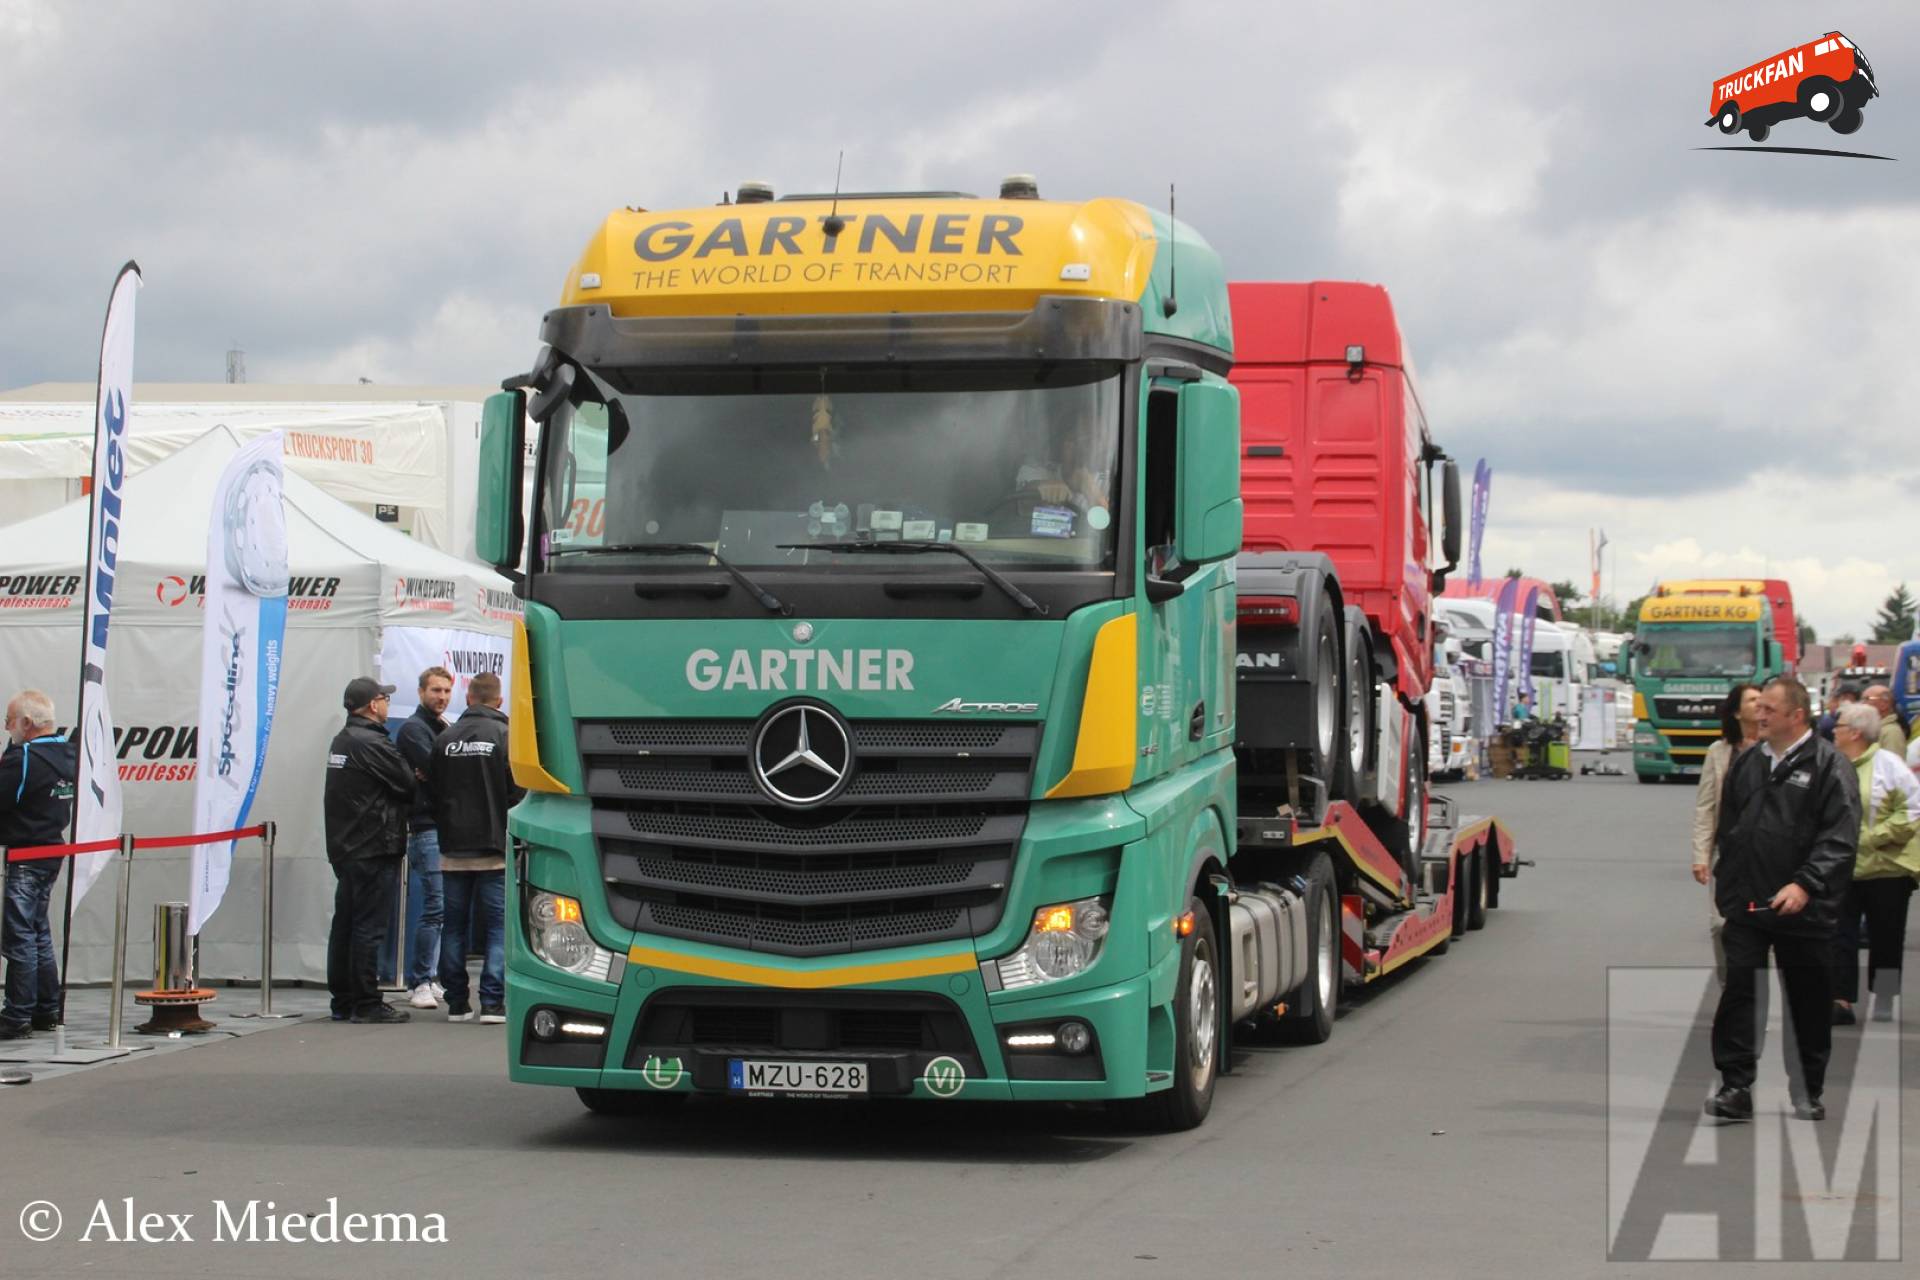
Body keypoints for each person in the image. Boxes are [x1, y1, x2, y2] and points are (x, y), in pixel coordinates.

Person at [1707, 676, 1859, 1122]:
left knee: (1808, 1001)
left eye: (1770, 709)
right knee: (1741, 992)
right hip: (1748, 903)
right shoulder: (1750, 761)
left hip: (1804, 908)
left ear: (1796, 715)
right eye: (1759, 708)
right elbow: (1731, 826)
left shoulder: (1830, 766)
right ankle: (1736, 1086)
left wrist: (1806, 884)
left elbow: (1840, 839)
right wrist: (1727, 881)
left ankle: (1808, 1089)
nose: (1760, 714)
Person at [429, 672, 522, 1024]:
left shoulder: (445, 738)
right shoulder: (506, 735)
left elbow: (433, 790)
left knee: (453, 926)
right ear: (499, 701)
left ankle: (456, 1003)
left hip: (452, 849)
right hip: (495, 849)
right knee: (497, 927)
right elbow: (518, 792)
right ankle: (493, 1003)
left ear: (468, 698)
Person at [324, 676, 415, 1024]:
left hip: (348, 846)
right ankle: (366, 1002)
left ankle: (344, 1000)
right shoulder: (371, 743)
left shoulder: (344, 739)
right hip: (374, 844)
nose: (388, 705)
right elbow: (406, 782)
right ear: (373, 705)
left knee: (345, 924)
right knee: (367, 927)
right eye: (384, 699)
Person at [1829, 701, 1920, 1024]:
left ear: (1855, 733)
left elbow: (1912, 810)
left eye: (1838, 726)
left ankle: (1883, 996)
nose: (1833, 731)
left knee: (1886, 936)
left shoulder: (1890, 766)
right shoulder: (1831, 764)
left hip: (1887, 868)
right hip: (1841, 867)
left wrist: (1874, 836)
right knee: (1840, 934)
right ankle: (1840, 999)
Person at [0, 691, 77, 1039]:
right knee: (37, 933)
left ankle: (17, 1015)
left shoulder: (24, 758)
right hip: (51, 851)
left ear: (27, 724)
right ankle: (46, 1010)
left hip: (26, 854)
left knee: (19, 938)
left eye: (9, 720)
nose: (5, 726)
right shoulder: (66, 752)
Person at [1692, 682, 1760, 985]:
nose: (1760, 705)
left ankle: (1752, 993)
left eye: (1763, 700)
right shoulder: (1719, 753)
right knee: (1721, 925)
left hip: (1765, 853)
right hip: (1726, 851)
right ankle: (1728, 987)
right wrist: (1701, 856)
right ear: (1736, 712)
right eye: (1752, 700)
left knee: (1760, 926)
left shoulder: (1774, 750)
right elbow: (1705, 807)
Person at [395, 666, 453, 1010]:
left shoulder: (443, 728)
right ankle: (419, 981)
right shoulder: (413, 730)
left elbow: (443, 770)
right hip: (426, 827)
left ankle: (431, 977)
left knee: (444, 908)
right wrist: (434, 771)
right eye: (435, 690)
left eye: (446, 691)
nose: (441, 697)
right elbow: (439, 771)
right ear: (420, 692)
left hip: (444, 827)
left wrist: (437, 771)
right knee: (435, 907)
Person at [1860, 684, 1908, 758]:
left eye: (1867, 699)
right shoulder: (1877, 729)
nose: (1862, 703)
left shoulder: (1891, 732)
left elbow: (1893, 766)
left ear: (1883, 704)